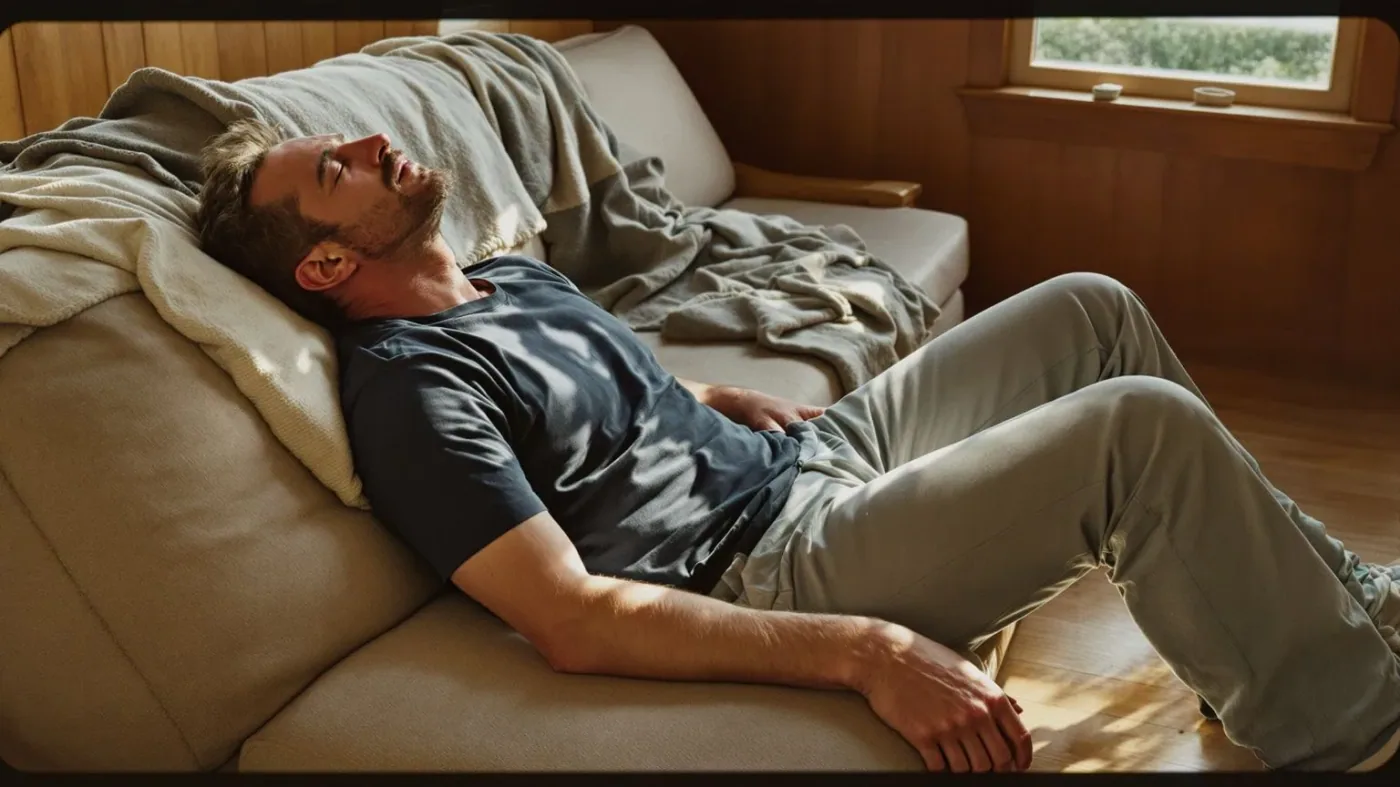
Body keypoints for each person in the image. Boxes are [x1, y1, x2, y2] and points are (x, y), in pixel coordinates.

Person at [193, 119, 1400, 774]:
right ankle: (1351, 724)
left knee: (1091, 304)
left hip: (805, 459)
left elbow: (604, 387)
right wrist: (864, 650)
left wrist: (710, 390)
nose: (362, 147)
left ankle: (1331, 605)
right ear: (326, 266)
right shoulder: (410, 393)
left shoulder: (506, 278)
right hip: (771, 561)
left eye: (343, 142)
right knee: (1134, 433)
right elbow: (569, 617)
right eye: (332, 172)